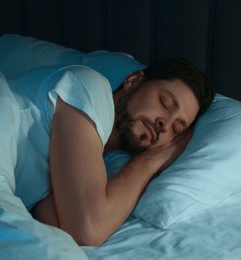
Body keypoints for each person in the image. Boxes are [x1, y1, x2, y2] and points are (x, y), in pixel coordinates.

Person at [31, 58, 215, 246]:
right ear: (133, 81)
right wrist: (148, 163)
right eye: (165, 103)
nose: (165, 124)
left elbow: (50, 217)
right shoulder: (88, 87)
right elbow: (87, 230)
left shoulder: (90, 156)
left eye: (176, 129)